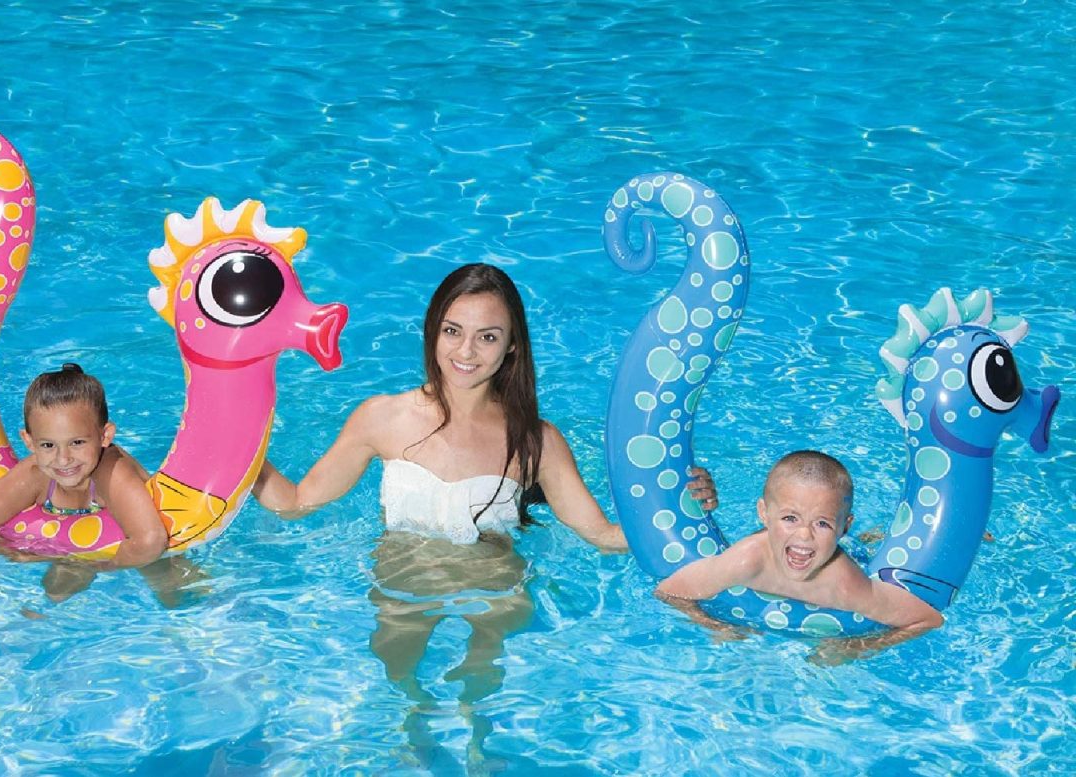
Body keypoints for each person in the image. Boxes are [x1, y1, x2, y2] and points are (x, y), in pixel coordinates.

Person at [253, 262, 717, 765]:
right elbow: (297, 503)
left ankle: (479, 736)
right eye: (453, 331)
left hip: (493, 584)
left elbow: (602, 534)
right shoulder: (382, 419)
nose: (466, 352)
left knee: (480, 687)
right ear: (433, 330)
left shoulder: (537, 441)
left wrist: (679, 506)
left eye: (487, 337)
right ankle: (417, 718)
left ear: (511, 346)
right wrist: (237, 450)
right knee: (399, 669)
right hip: (404, 583)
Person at [655, 450, 943, 661]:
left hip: (849, 554)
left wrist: (855, 648)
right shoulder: (747, 560)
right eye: (790, 518)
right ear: (763, 514)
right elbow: (670, 592)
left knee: (861, 549)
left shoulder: (844, 584)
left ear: (844, 526)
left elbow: (927, 620)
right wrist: (715, 626)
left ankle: (871, 536)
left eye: (822, 523)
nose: (804, 535)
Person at [0, 363, 169, 600]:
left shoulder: (112, 472)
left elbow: (150, 541)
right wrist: (20, 553)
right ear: (29, 441)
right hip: (66, 552)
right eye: (47, 445)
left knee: (172, 586)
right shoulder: (35, 474)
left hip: (139, 555)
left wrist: (101, 564)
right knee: (54, 592)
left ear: (105, 435)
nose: (63, 459)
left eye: (77, 442)